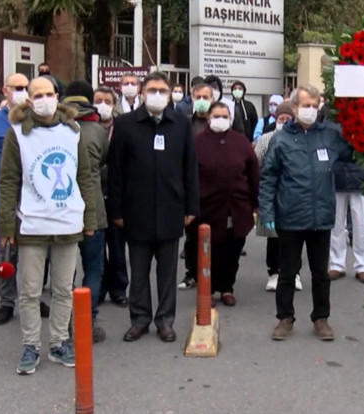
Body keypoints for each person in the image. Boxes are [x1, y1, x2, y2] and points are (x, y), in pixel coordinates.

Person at [0, 76, 97, 375]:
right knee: (29, 292)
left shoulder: (73, 131)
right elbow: (9, 181)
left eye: (49, 93)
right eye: (36, 94)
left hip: (68, 221)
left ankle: (58, 341)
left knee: (64, 289)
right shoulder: (16, 133)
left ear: (58, 95)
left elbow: (84, 177)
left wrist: (89, 219)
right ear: (28, 99)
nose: (43, 99)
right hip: (32, 225)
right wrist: (6, 226)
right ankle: (31, 345)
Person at [107, 72, 199, 343]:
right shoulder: (124, 124)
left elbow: (190, 167)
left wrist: (191, 206)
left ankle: (165, 320)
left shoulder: (181, 124)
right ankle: (140, 319)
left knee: (168, 273)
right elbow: (116, 172)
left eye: (162, 90)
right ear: (142, 93)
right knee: (138, 271)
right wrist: (117, 211)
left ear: (169, 95)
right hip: (136, 211)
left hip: (172, 210)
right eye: (151, 90)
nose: (157, 94)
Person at [259, 84, 352, 341]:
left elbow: (354, 153)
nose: (310, 110)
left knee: (321, 273)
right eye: (305, 106)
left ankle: (321, 319)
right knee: (287, 272)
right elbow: (268, 178)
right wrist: (266, 210)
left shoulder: (331, 136)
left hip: (321, 217)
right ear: (295, 107)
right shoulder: (281, 139)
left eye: (314, 105)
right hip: (290, 216)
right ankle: (284, 318)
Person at [0, 73, 44, 325]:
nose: (22, 91)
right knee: (7, 254)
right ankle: (6, 301)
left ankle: (33, 296)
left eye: (26, 87)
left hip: (34, 199)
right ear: (6, 90)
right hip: (4, 198)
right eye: (18, 87)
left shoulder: (37, 121)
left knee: (35, 254)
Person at [193, 102, 259, 305]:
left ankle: (227, 288)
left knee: (232, 249)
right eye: (217, 115)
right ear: (208, 118)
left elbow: (253, 173)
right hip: (206, 209)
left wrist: (255, 202)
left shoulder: (241, 142)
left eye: (225, 116)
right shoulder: (197, 143)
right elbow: (189, 175)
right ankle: (208, 289)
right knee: (207, 250)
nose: (221, 119)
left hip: (237, 208)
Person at [61, 81, 109, 343]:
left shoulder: (54, 127)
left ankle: (66, 320)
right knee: (93, 268)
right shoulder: (98, 130)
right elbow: (104, 161)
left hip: (61, 209)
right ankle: (87, 321)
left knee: (64, 270)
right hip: (93, 209)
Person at [254, 103, 302, 291]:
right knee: (273, 237)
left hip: (295, 195)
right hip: (272, 194)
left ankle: (295, 273)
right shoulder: (265, 139)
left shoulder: (300, 139)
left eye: (288, 119)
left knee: (296, 237)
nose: (284, 122)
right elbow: (255, 163)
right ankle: (273, 272)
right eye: (281, 119)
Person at [178, 82, 218, 290]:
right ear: (192, 98)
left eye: (206, 97)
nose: (202, 101)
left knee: (217, 235)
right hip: (191, 187)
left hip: (215, 188)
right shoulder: (184, 123)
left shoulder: (220, 122)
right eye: (198, 97)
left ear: (213, 99)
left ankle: (218, 277)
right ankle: (191, 273)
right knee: (192, 235)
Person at [93, 87, 129, 307]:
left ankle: (119, 288)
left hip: (117, 193)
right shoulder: (85, 125)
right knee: (96, 248)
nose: (103, 105)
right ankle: (99, 287)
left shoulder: (122, 126)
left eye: (107, 101)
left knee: (117, 246)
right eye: (98, 100)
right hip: (94, 194)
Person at [329, 149, 364, 284]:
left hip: (362, 174)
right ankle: (336, 264)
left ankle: (363, 265)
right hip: (335, 173)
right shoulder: (329, 126)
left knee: (361, 223)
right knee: (335, 223)